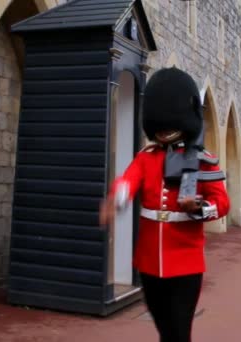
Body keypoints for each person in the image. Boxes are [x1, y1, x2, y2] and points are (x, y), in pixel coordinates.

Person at [99, 67, 230, 342]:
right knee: (164, 329)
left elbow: (222, 203)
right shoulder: (146, 158)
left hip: (186, 261)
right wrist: (116, 200)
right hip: (148, 261)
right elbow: (128, 181)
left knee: (179, 333)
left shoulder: (203, 159)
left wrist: (199, 208)